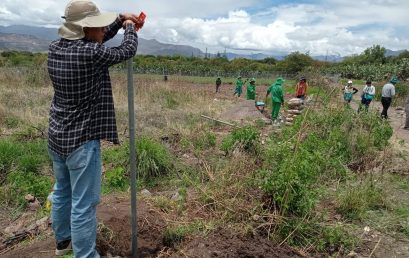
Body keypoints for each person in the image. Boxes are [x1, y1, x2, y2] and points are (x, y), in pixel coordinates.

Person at [47, 0, 143, 257]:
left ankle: (63, 244)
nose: (102, 30)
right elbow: (126, 51)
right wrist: (130, 27)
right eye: (97, 27)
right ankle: (86, 255)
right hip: (82, 141)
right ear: (86, 30)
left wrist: (120, 18)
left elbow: (97, 39)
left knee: (62, 192)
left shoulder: (54, 48)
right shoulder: (91, 54)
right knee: (83, 205)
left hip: (57, 137)